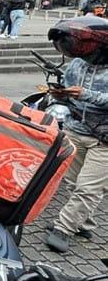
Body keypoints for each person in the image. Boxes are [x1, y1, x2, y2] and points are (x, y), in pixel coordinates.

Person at [44, 16, 108, 253]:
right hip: (75, 130)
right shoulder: (77, 65)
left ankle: (63, 228)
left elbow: (90, 96)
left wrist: (85, 95)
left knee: (89, 188)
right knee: (73, 182)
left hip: (103, 139)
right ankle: (83, 223)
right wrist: (62, 95)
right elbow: (70, 92)